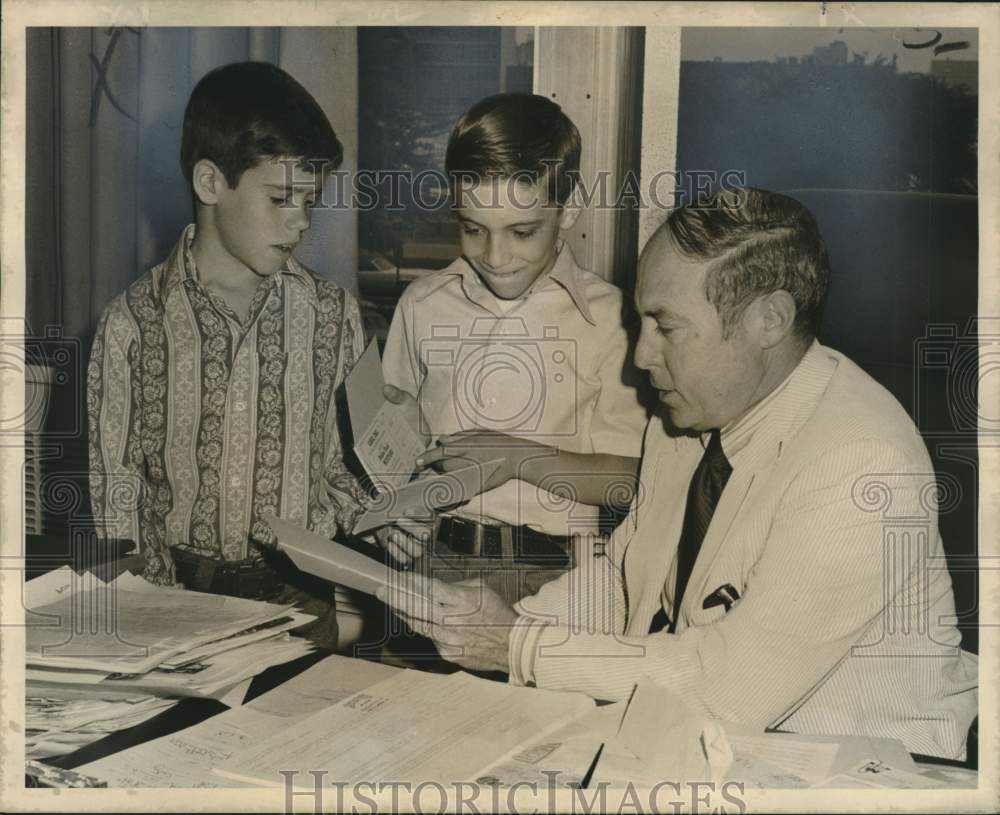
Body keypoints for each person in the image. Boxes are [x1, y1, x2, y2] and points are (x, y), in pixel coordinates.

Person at [379, 187, 979, 760]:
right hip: (717, 745)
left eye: (667, 327)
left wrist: (516, 644)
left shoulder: (860, 463)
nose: (642, 356)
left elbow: (728, 690)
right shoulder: (688, 418)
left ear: (768, 320)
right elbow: (622, 578)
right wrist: (501, 618)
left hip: (861, 773)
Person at [87, 62, 368, 647]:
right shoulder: (131, 324)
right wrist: (150, 608)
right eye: (280, 199)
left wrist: (381, 510)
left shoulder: (332, 313)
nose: (300, 223)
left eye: (310, 201)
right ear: (211, 183)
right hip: (178, 600)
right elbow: (118, 490)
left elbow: (347, 464)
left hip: (301, 595)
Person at [378, 93, 648, 604]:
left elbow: (631, 479)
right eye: (473, 229)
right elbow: (393, 449)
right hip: (434, 563)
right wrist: (393, 510)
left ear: (568, 211)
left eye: (523, 232)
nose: (495, 257)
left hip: (560, 577)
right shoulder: (421, 305)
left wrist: (518, 459)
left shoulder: (616, 321)